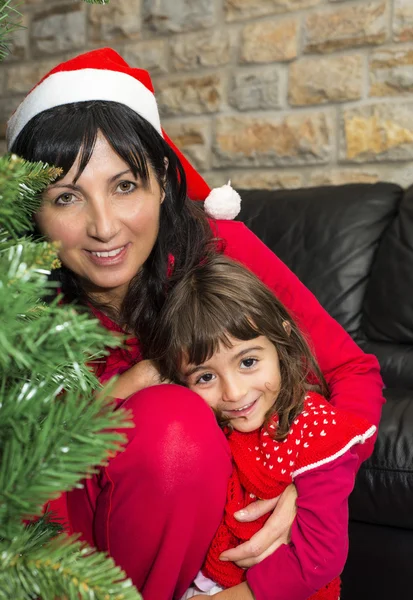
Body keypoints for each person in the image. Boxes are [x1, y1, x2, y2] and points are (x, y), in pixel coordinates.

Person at [7, 48, 384, 600]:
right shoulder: (17, 302)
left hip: (203, 547)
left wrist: (311, 484)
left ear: (162, 180)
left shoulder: (219, 251)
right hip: (63, 541)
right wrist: (118, 392)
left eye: (125, 186)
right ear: (32, 215)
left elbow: (353, 369)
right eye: (67, 197)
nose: (104, 227)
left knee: (175, 426)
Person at [147, 254, 376, 600]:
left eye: (249, 362)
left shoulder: (317, 430)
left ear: (282, 337)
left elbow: (319, 558)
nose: (235, 393)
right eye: (206, 376)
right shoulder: (210, 427)